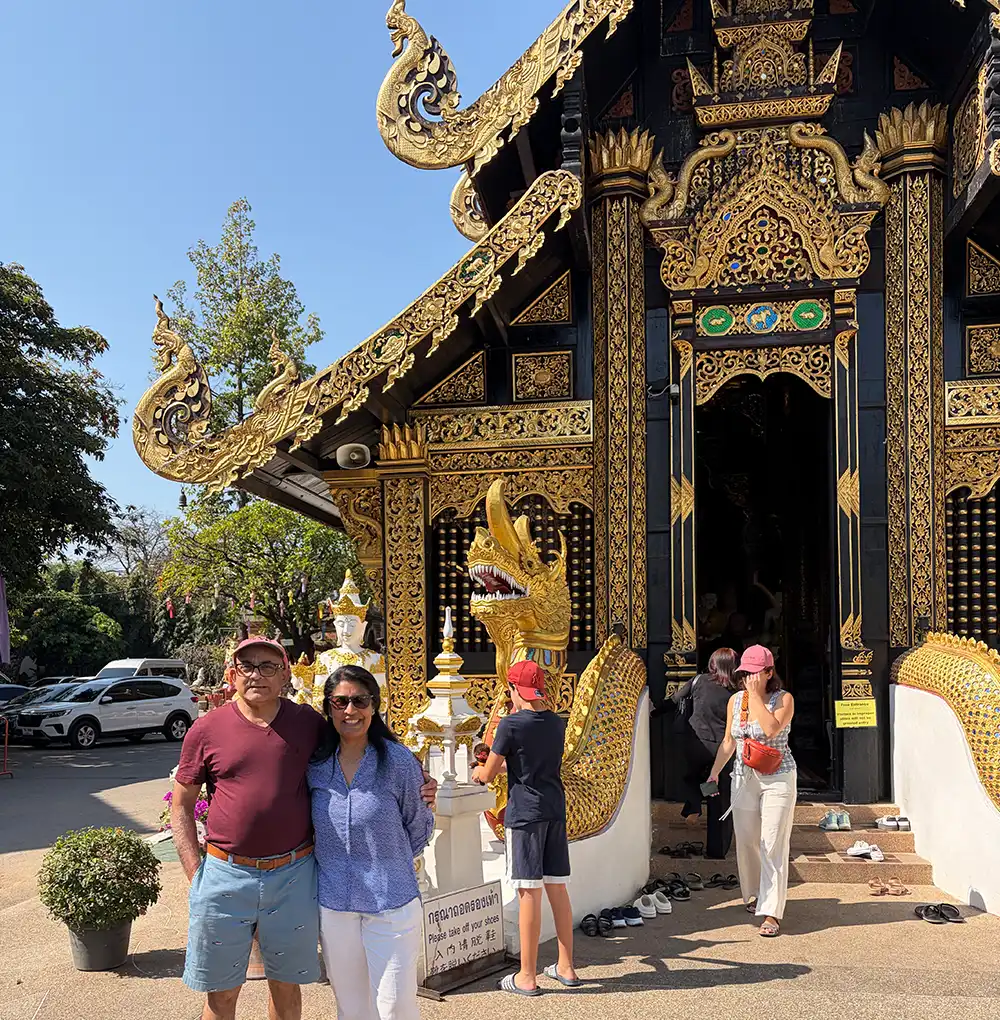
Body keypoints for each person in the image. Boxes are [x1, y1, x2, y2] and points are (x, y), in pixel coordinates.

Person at [171, 637, 437, 1020]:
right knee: (221, 993)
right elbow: (180, 804)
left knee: (286, 987)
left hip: (294, 876)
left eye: (268, 666)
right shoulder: (207, 729)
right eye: (247, 666)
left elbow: (371, 750)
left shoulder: (306, 725)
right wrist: (196, 873)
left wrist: (419, 780)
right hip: (226, 873)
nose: (256, 675)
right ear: (231, 675)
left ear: (285, 675)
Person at [307, 665, 434, 1020]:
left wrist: (388, 862)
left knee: (394, 1007)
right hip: (335, 904)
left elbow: (418, 824)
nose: (350, 711)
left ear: (374, 706)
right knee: (352, 1009)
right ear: (329, 707)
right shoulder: (316, 764)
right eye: (340, 702)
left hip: (390, 903)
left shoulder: (397, 762)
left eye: (360, 701)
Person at [472, 660, 578, 996]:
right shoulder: (556, 723)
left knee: (528, 890)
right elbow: (528, 764)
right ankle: (566, 966)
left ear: (515, 689)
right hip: (554, 806)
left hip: (525, 813)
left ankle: (527, 975)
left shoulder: (510, 724)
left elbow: (488, 774)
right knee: (557, 887)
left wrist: (478, 771)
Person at [707, 644, 796, 938]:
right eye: (745, 673)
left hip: (777, 777)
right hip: (744, 776)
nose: (749, 678)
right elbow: (729, 741)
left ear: (769, 672)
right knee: (746, 839)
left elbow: (770, 729)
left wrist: (757, 696)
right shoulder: (736, 701)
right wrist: (715, 771)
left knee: (772, 842)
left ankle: (771, 912)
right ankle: (756, 893)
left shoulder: (783, 699)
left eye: (756, 673)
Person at [670, 647, 738, 858]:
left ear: (712, 664)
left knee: (693, 778)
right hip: (723, 748)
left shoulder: (698, 681)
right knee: (719, 798)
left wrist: (654, 711)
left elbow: (674, 700)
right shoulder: (737, 691)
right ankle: (716, 851)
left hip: (697, 744)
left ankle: (694, 805)